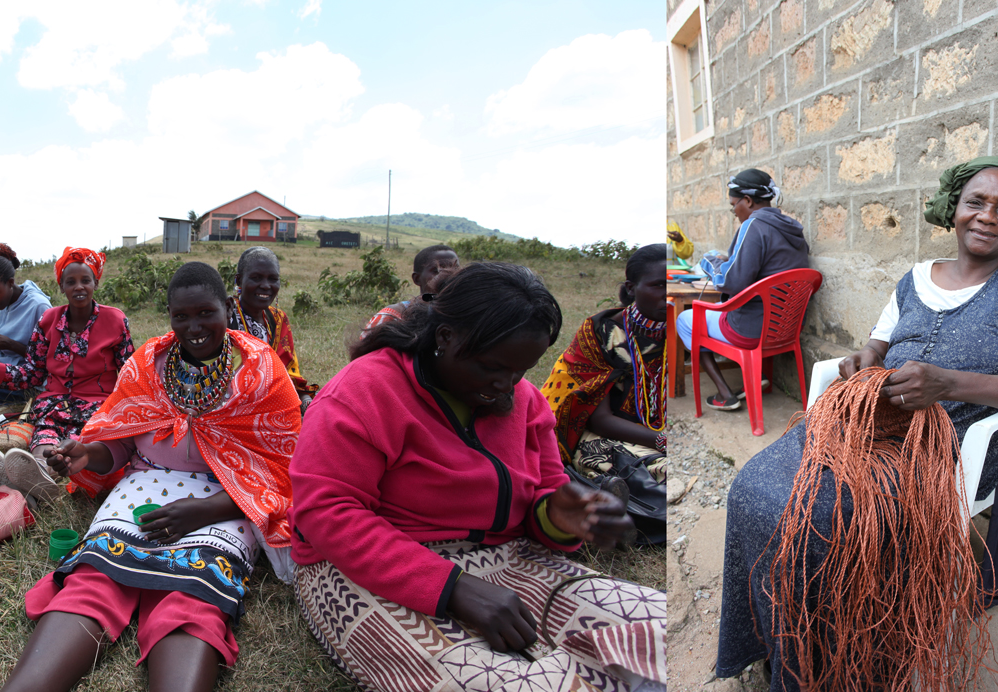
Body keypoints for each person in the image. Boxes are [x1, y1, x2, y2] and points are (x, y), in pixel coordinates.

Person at [715, 157, 998, 688]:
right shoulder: (914, 279)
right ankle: (775, 638)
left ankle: (836, 663)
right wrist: (863, 362)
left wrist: (947, 384)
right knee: (752, 489)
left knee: (820, 518)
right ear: (954, 210)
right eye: (976, 202)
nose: (988, 217)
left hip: (949, 447)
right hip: (866, 427)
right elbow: (876, 346)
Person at [0, 262, 302, 692]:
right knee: (92, 582)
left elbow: (281, 474)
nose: (194, 326)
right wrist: (86, 456)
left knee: (191, 600)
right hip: (143, 489)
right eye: (181, 316)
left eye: (206, 313)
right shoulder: (148, 365)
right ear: (169, 315)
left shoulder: (260, 372)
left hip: (225, 502)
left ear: (226, 308)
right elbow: (122, 444)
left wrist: (202, 511)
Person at [291, 262, 668, 692]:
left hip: (506, 557)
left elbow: (544, 492)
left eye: (521, 370)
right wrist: (453, 588)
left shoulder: (524, 401)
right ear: (446, 338)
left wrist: (559, 515)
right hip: (367, 566)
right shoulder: (363, 392)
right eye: (492, 367)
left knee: (657, 631)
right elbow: (327, 513)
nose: (508, 386)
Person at [0, 247, 133, 501]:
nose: (79, 287)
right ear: (61, 287)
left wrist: (121, 410)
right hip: (51, 406)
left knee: (80, 442)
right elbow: (32, 373)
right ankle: (39, 473)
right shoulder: (48, 321)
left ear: (95, 282)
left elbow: (130, 373)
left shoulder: (115, 320)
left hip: (97, 408)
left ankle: (35, 480)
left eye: (85, 280)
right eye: (71, 282)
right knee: (44, 439)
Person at [542, 244, 668, 516]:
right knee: (616, 462)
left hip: (656, 430)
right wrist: (662, 440)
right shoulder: (601, 333)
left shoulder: (682, 326)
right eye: (659, 285)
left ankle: (627, 510)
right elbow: (600, 419)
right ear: (631, 288)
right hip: (604, 432)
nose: (668, 295)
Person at [674, 168, 808, 412]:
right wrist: (732, 259)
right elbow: (768, 266)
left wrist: (709, 262)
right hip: (784, 328)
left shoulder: (753, 225)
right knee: (721, 310)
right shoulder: (792, 228)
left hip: (748, 331)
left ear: (747, 201)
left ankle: (725, 394)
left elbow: (731, 281)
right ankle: (753, 377)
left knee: (685, 319)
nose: (734, 211)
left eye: (733, 205)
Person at [224, 246, 319, 411]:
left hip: (272, 402)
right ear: (239, 280)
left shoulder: (278, 319)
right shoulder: (224, 315)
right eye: (256, 278)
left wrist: (305, 401)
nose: (266, 286)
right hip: (228, 404)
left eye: (273, 279)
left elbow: (287, 373)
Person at [0, 242, 52, 409]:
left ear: (10, 282)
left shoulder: (38, 306)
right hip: (0, 373)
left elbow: (51, 359)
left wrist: (9, 344)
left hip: (28, 384)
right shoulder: (4, 302)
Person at [362, 243, 460, 335]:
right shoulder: (394, 316)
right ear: (417, 279)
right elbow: (366, 351)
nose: (449, 275)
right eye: (437, 271)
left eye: (456, 269)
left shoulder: (464, 312)